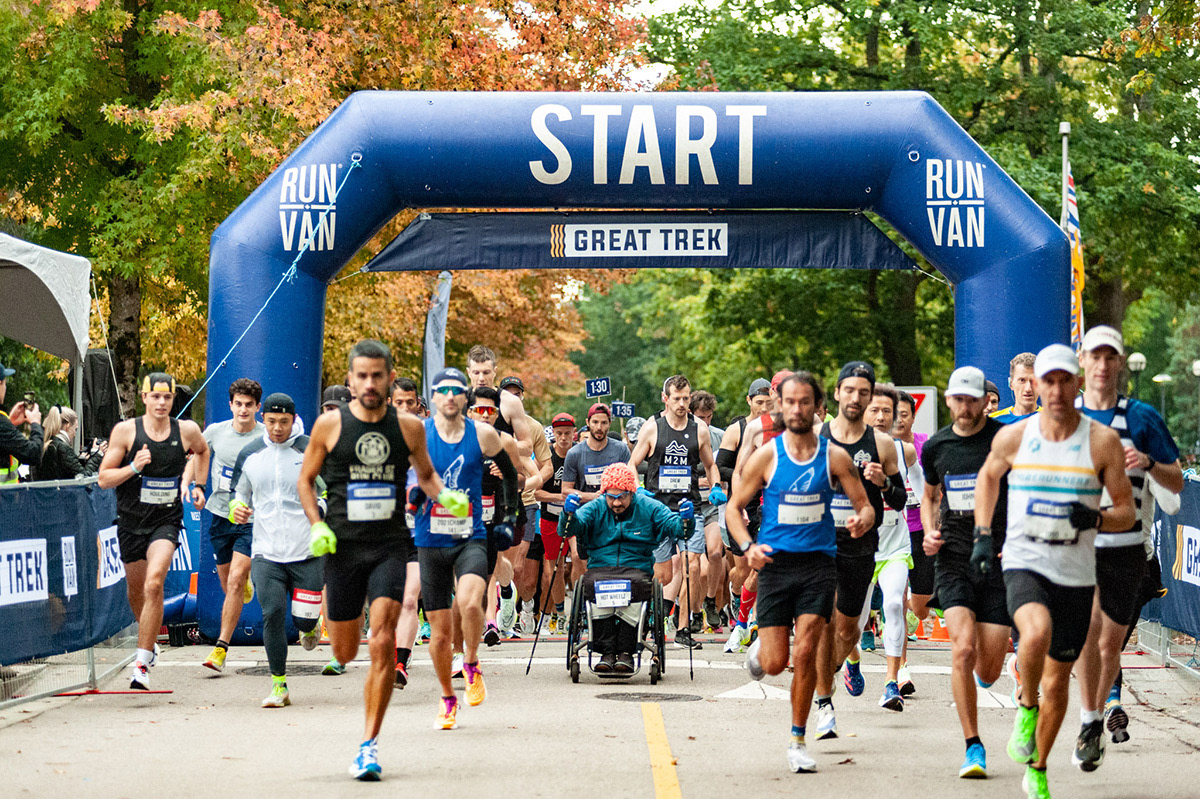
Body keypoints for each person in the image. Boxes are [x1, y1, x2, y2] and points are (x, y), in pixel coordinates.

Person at [973, 343, 1134, 799]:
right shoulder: (1015, 436)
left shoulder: (1101, 441)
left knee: (1059, 678)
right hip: (1025, 559)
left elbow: (1126, 511)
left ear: (1077, 383)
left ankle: (1039, 767)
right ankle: (1027, 706)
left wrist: (1097, 518)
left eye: (1066, 381)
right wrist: (983, 534)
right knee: (1036, 631)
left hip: (1076, 573)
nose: (1058, 390)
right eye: (1049, 381)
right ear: (1037, 385)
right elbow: (988, 477)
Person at [297, 340, 462, 781]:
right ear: (351, 380)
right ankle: (334, 633)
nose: (369, 383)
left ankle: (368, 745)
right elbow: (305, 481)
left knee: (382, 639)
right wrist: (317, 524)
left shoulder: (408, 427)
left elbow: (426, 475)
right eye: (362, 376)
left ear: (389, 378)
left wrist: (444, 497)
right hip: (343, 548)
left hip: (390, 545)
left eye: (377, 375)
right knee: (345, 650)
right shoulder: (329, 425)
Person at [729, 371, 874, 773]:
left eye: (804, 402)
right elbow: (734, 508)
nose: (796, 409)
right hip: (775, 566)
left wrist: (862, 519)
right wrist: (748, 546)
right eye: (789, 402)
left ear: (817, 407)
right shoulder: (767, 455)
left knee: (807, 651)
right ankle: (763, 650)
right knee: (776, 662)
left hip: (818, 565)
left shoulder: (834, 456)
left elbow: (865, 505)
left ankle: (797, 740)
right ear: (780, 405)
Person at [1072, 325, 1182, 763]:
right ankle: (1089, 720)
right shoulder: (1065, 415)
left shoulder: (1142, 418)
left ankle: (1096, 713)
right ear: (1083, 361)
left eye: (1109, 357)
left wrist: (1149, 462)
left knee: (1109, 644)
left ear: (1119, 363)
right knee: (1088, 631)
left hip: (1129, 546)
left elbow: (1176, 483)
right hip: (1079, 545)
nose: (1101, 365)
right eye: (1094, 356)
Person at [411, 367, 518, 732]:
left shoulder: (483, 434)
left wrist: (508, 517)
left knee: (471, 602)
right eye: (443, 390)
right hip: (430, 541)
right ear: (433, 396)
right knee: (440, 634)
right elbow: (404, 474)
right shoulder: (418, 433)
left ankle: (471, 661)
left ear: (465, 397)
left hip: (470, 535)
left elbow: (510, 474)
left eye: (457, 390)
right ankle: (447, 698)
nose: (450, 396)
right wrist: (410, 498)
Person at [920, 366, 1012, 778]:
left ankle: (991, 673)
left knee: (988, 669)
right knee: (961, 650)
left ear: (985, 401)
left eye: (972, 400)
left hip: (998, 557)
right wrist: (929, 532)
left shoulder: (1003, 439)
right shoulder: (936, 446)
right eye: (958, 399)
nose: (965, 407)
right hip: (953, 557)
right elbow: (929, 495)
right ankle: (973, 746)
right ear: (948, 401)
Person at [98, 372, 209, 690]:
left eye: (167, 397)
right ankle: (150, 643)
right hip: (131, 522)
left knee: (155, 581)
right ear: (144, 397)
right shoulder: (126, 432)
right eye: (155, 396)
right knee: (137, 592)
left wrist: (199, 486)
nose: (161, 403)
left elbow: (203, 451)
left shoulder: (186, 431)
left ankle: (141, 664)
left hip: (166, 520)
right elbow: (104, 479)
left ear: (173, 400)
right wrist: (134, 467)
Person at [813, 361, 906, 740]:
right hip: (818, 544)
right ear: (837, 393)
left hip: (861, 546)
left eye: (863, 392)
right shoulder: (816, 437)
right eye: (849, 390)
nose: (855, 398)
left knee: (848, 629)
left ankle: (831, 671)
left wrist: (883, 483)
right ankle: (823, 702)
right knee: (821, 622)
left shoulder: (882, 444)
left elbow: (899, 500)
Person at [227, 393, 323, 707]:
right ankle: (278, 685)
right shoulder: (251, 453)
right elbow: (238, 493)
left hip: (306, 550)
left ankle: (311, 625)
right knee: (272, 613)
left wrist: (319, 511)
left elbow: (329, 490)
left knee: (303, 622)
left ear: (294, 420)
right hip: (266, 551)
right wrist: (237, 508)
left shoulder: (309, 448)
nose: (278, 428)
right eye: (271, 421)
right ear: (263, 419)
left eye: (284, 422)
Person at [559, 462, 690, 673]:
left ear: (632, 492)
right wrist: (568, 515)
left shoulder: (648, 506)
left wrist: (686, 520)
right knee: (592, 585)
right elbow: (570, 528)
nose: (616, 502)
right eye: (611, 497)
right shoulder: (596, 507)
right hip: (601, 566)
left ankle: (626, 652)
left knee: (637, 586)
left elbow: (674, 526)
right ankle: (606, 652)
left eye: (622, 496)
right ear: (604, 494)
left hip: (636, 567)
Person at [629, 376, 723, 650]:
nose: (682, 404)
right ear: (665, 398)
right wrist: (638, 490)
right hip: (658, 510)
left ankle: (683, 629)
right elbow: (632, 463)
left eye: (686, 398)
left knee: (692, 565)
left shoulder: (699, 430)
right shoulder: (652, 428)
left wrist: (716, 486)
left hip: (688, 509)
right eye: (677, 398)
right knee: (663, 574)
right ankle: (649, 620)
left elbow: (710, 465)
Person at [190, 378, 264, 673]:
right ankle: (243, 584)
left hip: (251, 518)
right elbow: (196, 455)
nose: (243, 410)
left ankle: (220, 648)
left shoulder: (265, 436)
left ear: (257, 407)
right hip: (220, 514)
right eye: (239, 404)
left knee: (234, 580)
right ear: (230, 405)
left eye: (249, 405)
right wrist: (193, 486)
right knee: (227, 584)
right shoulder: (215, 432)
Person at [862, 384, 919, 712]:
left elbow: (924, 490)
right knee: (852, 623)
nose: (882, 417)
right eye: (875, 410)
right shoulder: (843, 449)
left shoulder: (904, 451)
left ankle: (891, 681)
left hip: (896, 545)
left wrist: (932, 525)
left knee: (895, 604)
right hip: (860, 547)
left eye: (888, 411)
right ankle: (852, 661)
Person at [498, 375, 553, 639]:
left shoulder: (532, 427)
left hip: (525, 502)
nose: (513, 397)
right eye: (507, 393)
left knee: (517, 567)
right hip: (492, 500)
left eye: (517, 393)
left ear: (522, 396)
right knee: (494, 563)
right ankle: (495, 616)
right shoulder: (487, 424)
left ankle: (512, 612)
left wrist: (524, 486)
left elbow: (545, 468)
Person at [562, 403, 632, 590]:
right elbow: (566, 490)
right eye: (595, 422)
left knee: (613, 560)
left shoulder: (620, 450)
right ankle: (582, 596)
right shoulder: (575, 453)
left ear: (610, 423)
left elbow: (629, 483)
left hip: (615, 514)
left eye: (603, 423)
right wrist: (592, 497)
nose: (599, 427)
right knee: (580, 560)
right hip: (585, 515)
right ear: (587, 422)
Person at [892, 389, 930, 696]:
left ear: (913, 417)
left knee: (920, 608)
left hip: (921, 529)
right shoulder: (881, 446)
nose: (898, 420)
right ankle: (901, 669)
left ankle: (908, 608)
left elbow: (934, 487)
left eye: (904, 414)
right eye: (894, 414)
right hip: (894, 531)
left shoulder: (924, 445)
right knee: (895, 598)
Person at [532, 413, 577, 631]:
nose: (563, 438)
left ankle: (579, 610)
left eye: (567, 433)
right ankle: (560, 613)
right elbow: (535, 492)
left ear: (574, 433)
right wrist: (559, 497)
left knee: (578, 559)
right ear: (553, 434)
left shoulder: (579, 454)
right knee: (555, 568)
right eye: (559, 433)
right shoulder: (546, 458)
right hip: (550, 518)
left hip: (576, 518)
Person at [690, 390, 728, 631]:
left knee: (715, 554)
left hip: (713, 504)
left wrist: (718, 482)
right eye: (700, 417)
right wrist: (697, 481)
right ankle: (693, 610)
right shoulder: (683, 436)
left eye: (709, 417)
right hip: (692, 503)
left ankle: (711, 601)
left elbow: (727, 468)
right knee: (696, 567)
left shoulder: (721, 437)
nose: (705, 422)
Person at [0, 361, 43, 483]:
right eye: (5, 384)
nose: (5, 388)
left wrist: (11, 423)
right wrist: (35, 423)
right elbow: (33, 454)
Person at [37, 405, 104, 480]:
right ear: (68, 426)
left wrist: (80, 460)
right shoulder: (62, 448)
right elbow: (84, 477)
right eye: (75, 429)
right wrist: (97, 455)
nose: (75, 434)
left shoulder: (46, 444)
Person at [992, 353, 1040, 424]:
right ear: (1011, 384)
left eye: (1033, 380)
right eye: (1022, 380)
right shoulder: (993, 421)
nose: (1028, 389)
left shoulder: (1052, 419)